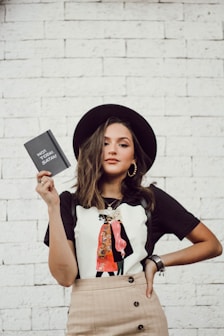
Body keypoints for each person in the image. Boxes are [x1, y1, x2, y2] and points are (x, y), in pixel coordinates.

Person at [36, 104, 222, 336]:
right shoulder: (68, 203)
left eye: (123, 144)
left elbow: (212, 245)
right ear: (93, 150)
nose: (112, 150)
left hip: (143, 317)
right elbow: (64, 278)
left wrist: (157, 261)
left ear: (134, 158)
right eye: (104, 143)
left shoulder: (150, 200)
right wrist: (52, 208)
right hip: (86, 320)